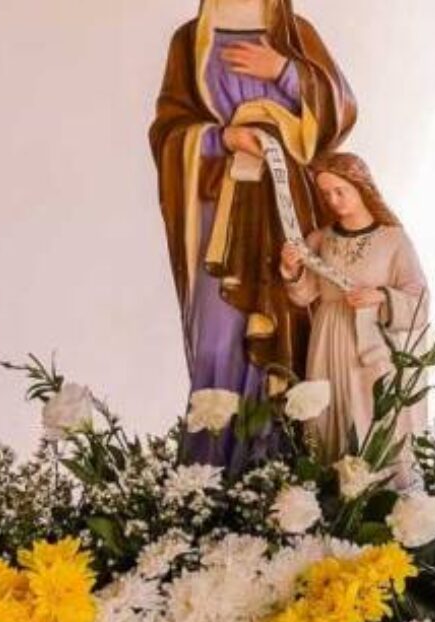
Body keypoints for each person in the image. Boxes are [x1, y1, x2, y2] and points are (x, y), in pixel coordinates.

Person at [150, 0, 356, 468]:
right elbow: (167, 132)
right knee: (217, 339)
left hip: (284, 208)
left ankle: (277, 471)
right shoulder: (190, 41)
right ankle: (210, 476)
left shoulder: (295, 34)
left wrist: (285, 71)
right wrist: (223, 138)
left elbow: (339, 111)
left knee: (284, 328)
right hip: (220, 216)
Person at [281, 153, 429, 478]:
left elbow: (419, 299)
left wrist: (381, 296)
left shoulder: (393, 239)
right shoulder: (320, 239)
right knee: (328, 416)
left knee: (369, 415)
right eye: (326, 194)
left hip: (371, 341)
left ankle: (378, 493)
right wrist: (292, 270)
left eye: (341, 191)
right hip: (328, 338)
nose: (334, 201)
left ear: (362, 187)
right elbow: (304, 295)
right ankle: (331, 494)